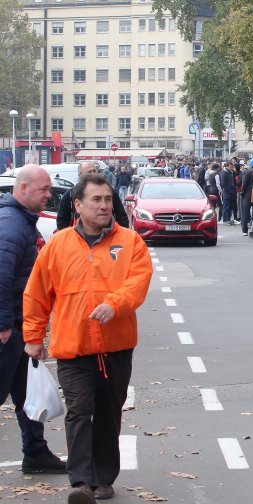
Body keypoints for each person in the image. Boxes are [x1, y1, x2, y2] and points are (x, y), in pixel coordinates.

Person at [23, 173, 153, 503]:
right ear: (78, 206)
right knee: (80, 412)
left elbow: (138, 282)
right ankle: (81, 481)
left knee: (109, 414)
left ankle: (104, 478)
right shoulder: (59, 243)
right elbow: (37, 293)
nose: (104, 206)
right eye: (96, 200)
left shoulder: (130, 241)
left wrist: (115, 304)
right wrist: (33, 336)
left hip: (116, 347)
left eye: (108, 200)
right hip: (73, 345)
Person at [0, 165, 67, 476]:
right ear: (23, 189)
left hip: (18, 325)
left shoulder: (19, 221)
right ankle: (36, 452)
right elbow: (1, 277)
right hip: (8, 327)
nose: (49, 195)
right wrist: (3, 326)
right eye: (43, 190)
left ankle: (36, 453)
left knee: (28, 395)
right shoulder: (12, 225)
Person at [57, 161, 129, 230]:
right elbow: (62, 221)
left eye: (94, 171)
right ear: (80, 175)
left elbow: (122, 217)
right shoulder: (70, 195)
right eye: (89, 172)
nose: (93, 174)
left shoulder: (109, 192)